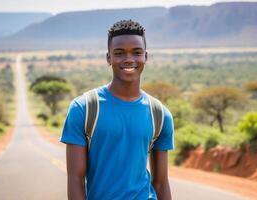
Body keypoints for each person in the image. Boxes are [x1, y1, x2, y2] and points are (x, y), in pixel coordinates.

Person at [60, 19, 174, 200]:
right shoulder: (84, 109)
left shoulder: (159, 114)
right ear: (108, 58)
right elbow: (75, 179)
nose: (129, 59)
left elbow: (161, 183)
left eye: (136, 53)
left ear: (146, 56)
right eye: (119, 53)